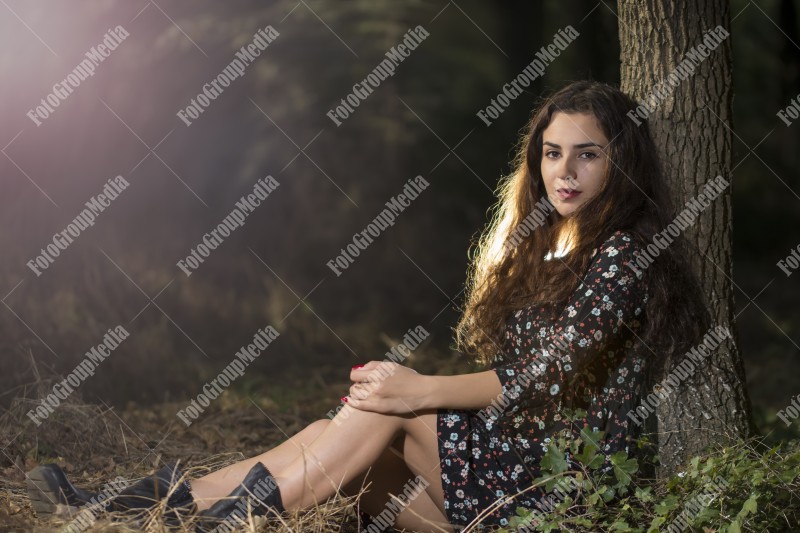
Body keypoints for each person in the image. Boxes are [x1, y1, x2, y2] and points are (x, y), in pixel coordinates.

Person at [26, 80, 709, 532]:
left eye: (587, 155)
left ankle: (220, 520)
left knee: (390, 409)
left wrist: (418, 389)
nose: (564, 171)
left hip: (565, 483)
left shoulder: (624, 253)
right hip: (510, 469)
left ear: (622, 162)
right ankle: (152, 503)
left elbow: (545, 376)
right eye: (552, 153)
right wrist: (404, 390)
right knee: (344, 429)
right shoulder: (542, 244)